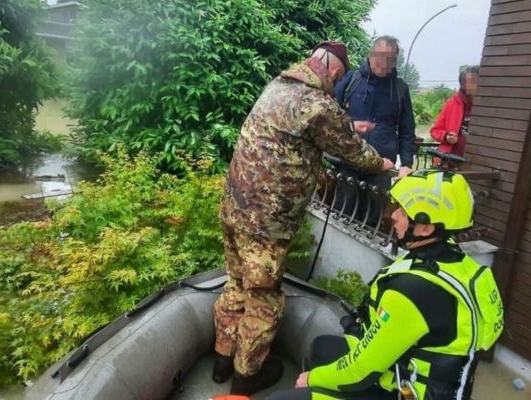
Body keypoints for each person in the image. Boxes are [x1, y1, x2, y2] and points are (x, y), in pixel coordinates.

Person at [212, 41, 395, 396]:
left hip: (234, 208)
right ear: (335, 72)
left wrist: (346, 127)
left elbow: (306, 128)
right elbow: (355, 152)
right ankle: (244, 380)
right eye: (337, 80)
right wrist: (384, 163)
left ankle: (221, 362)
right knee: (263, 299)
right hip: (266, 223)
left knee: (235, 285)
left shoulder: (277, 87)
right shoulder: (319, 104)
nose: (335, 86)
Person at [267, 169, 504, 400]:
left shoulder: (414, 291)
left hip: (405, 392)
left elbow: (360, 372)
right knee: (322, 347)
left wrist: (311, 379)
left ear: (425, 228)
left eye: (402, 210)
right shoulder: (453, 259)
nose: (394, 215)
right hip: (416, 376)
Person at [334, 36, 416, 224]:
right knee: (343, 218)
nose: (384, 64)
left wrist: (407, 163)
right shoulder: (351, 80)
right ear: (370, 56)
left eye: (390, 60)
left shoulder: (400, 89)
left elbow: (407, 130)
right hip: (349, 163)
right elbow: (328, 116)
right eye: (380, 58)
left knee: (373, 222)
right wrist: (352, 125)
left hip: (382, 167)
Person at [430, 66, 480, 168]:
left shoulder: (488, 106)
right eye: (470, 82)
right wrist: (446, 136)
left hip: (477, 162)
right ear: (463, 84)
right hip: (450, 161)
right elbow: (435, 130)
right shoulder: (452, 103)